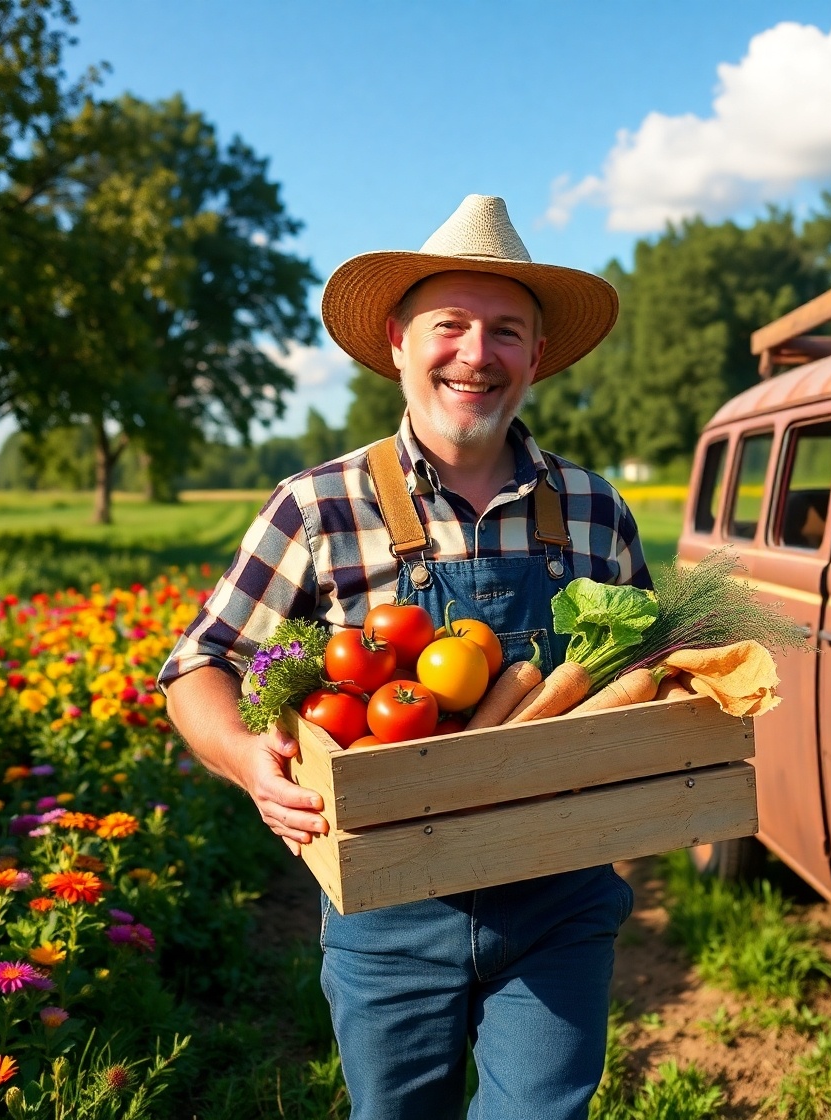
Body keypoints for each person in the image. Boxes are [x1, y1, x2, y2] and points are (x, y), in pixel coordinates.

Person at [159, 194, 654, 1120]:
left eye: (506, 330)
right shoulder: (317, 507)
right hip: (388, 904)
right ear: (397, 342)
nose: (477, 353)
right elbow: (201, 663)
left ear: (537, 357)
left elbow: (650, 679)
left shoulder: (595, 512)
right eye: (450, 325)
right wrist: (246, 762)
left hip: (561, 893)